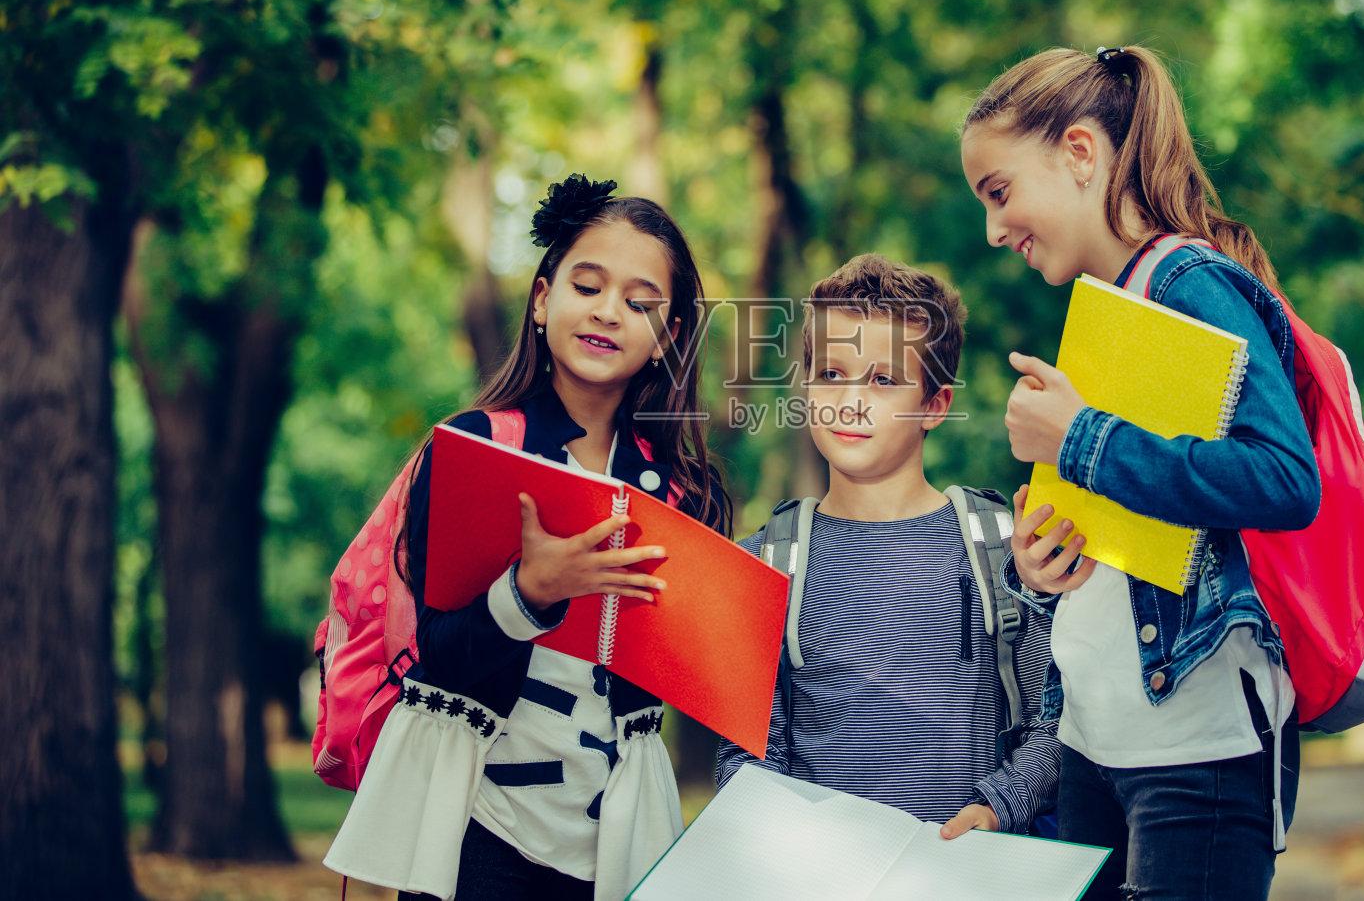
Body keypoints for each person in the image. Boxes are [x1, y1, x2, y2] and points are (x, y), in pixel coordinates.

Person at [960, 45, 1321, 900]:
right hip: (1094, 742)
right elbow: (1144, 541)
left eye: (999, 192)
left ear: (1081, 153)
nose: (993, 231)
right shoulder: (1108, 310)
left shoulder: (1189, 280)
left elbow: (1284, 478)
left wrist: (1079, 437)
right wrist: (1046, 564)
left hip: (1197, 753)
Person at [324, 175, 728, 901]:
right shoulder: (476, 447)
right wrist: (528, 594)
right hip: (475, 826)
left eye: (641, 302)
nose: (608, 311)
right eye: (587, 285)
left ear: (668, 336)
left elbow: (693, 668)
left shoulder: (683, 491)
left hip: (615, 838)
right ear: (542, 300)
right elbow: (437, 653)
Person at [715, 253, 1061, 840]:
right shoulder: (764, 561)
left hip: (964, 871)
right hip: (820, 871)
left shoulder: (1003, 547)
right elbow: (745, 752)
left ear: (934, 405)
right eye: (831, 374)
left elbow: (1054, 717)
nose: (851, 400)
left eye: (882, 380)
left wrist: (999, 806)